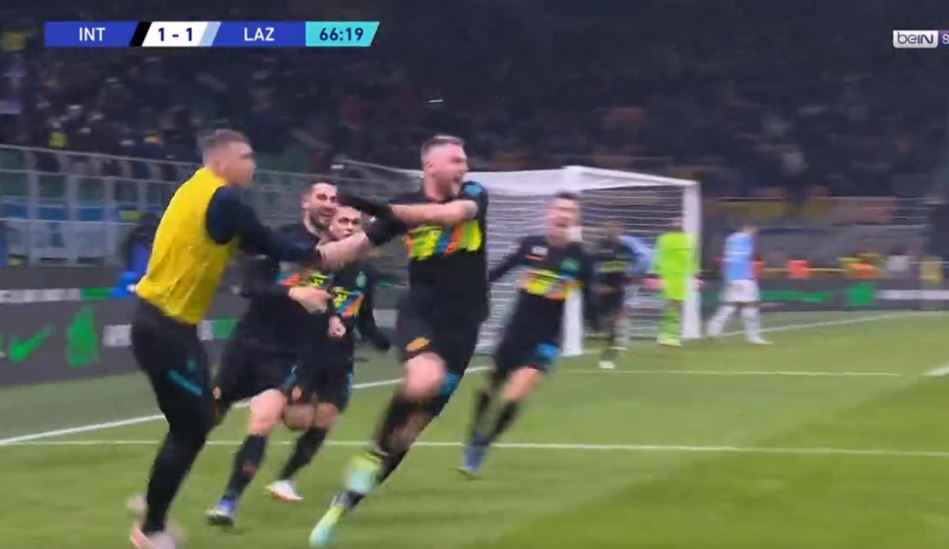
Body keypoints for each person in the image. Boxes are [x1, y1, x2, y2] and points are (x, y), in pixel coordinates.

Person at [128, 129, 328, 549]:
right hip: (165, 328)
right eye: (246, 156)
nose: (254, 164)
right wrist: (317, 254)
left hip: (167, 326)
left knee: (196, 420)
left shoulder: (197, 191)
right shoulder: (224, 199)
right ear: (221, 162)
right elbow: (267, 241)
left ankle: (154, 503)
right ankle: (151, 528)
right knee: (193, 425)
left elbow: (250, 245)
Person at [306, 134, 489, 547]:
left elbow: (450, 215)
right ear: (430, 166)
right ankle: (373, 449)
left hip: (463, 329)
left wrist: (378, 207)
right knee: (424, 378)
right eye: (456, 160)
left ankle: (345, 502)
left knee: (409, 433)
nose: (464, 167)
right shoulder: (404, 205)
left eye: (464, 160)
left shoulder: (474, 194)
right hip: (421, 314)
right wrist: (301, 255)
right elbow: (352, 247)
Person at [205, 196, 342, 527]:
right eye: (322, 197)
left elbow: (333, 300)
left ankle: (228, 502)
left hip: (287, 353)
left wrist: (333, 318)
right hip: (248, 345)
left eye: (333, 199)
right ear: (306, 202)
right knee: (206, 418)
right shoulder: (278, 240)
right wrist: (293, 293)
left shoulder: (336, 254)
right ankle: (160, 493)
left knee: (264, 421)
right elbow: (250, 286)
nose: (328, 203)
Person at [460, 191, 593, 476]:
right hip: (514, 332)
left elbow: (590, 297)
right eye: (559, 208)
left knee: (513, 396)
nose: (563, 214)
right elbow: (498, 271)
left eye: (569, 211)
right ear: (549, 213)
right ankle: (475, 431)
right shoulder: (531, 245)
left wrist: (599, 321)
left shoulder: (581, 259)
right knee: (489, 390)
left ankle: (482, 445)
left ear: (575, 219)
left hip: (547, 339)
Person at [266, 205, 391, 503]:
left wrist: (385, 342)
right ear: (331, 226)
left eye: (355, 222)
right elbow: (284, 297)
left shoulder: (366, 272)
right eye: (343, 220)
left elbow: (364, 317)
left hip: (340, 358)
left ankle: (285, 479)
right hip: (304, 351)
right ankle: (272, 404)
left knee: (325, 419)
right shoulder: (313, 261)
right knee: (298, 420)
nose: (349, 226)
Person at [706, 224, 769, 344]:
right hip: (744, 277)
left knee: (730, 305)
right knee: (751, 304)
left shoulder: (730, 239)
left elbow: (728, 259)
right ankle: (754, 337)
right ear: (749, 228)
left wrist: (727, 276)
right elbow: (743, 259)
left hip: (731, 277)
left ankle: (713, 330)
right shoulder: (746, 239)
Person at [593, 221, 638, 369]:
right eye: (610, 227)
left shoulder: (626, 249)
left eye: (617, 228)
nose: (613, 230)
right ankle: (612, 336)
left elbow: (630, 268)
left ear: (621, 230)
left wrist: (625, 282)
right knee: (603, 321)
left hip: (618, 289)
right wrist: (598, 285)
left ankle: (610, 353)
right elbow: (594, 266)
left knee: (614, 319)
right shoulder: (600, 246)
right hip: (601, 289)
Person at [651, 218, 699, 347]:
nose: (678, 224)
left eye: (679, 222)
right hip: (668, 277)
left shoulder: (690, 239)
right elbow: (657, 257)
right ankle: (668, 336)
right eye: (676, 222)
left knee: (677, 306)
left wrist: (695, 275)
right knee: (672, 305)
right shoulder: (663, 239)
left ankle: (667, 334)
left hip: (682, 278)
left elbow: (693, 258)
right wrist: (656, 275)